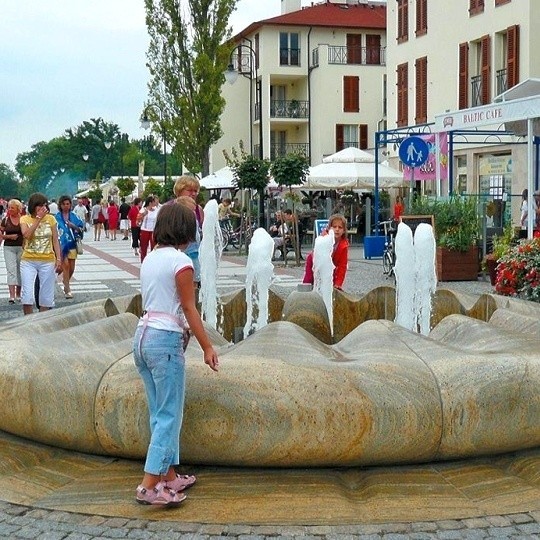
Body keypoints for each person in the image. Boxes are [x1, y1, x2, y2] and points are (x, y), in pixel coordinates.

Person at [133, 202, 219, 507]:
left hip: (142, 337)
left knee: (159, 412)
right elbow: (188, 307)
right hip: (164, 341)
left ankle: (169, 475)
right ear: (187, 230)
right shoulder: (181, 262)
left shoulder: (150, 258)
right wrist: (207, 346)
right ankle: (148, 486)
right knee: (170, 415)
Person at [20, 192, 62, 315]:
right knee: (27, 293)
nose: (43, 208)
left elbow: (55, 240)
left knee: (46, 295)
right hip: (28, 259)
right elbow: (26, 235)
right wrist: (37, 219)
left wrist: (58, 259)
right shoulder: (25, 219)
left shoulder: (51, 219)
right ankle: (28, 320)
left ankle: (43, 320)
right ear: (33, 206)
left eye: (44, 205)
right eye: (39, 206)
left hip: (47, 260)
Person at [302, 213, 349, 290]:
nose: (337, 229)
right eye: (334, 227)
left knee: (330, 283)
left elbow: (342, 266)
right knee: (309, 279)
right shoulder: (324, 239)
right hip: (314, 261)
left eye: (340, 227)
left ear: (344, 231)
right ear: (329, 228)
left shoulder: (344, 245)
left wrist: (338, 283)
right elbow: (321, 259)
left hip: (331, 265)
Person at [173, 176, 204, 286]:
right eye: (190, 190)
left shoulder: (198, 209)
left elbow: (201, 231)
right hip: (177, 255)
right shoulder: (170, 208)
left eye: (195, 191)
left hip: (195, 255)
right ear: (180, 190)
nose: (194, 193)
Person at [55, 195, 85, 299]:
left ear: (70, 205)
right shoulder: (57, 217)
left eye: (68, 204)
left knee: (71, 267)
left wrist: (73, 226)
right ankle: (67, 289)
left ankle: (65, 280)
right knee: (66, 265)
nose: (66, 206)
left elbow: (81, 228)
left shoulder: (74, 216)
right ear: (60, 205)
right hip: (61, 244)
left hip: (72, 243)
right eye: (63, 204)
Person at [0, 199, 24, 303]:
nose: (10, 209)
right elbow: (1, 234)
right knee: (11, 270)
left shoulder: (23, 219)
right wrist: (9, 236)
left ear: (18, 209)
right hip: (8, 247)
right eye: (9, 207)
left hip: (21, 247)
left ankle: (18, 293)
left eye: (12, 207)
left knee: (20, 270)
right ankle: (12, 295)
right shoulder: (5, 220)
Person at [137, 195, 159, 262]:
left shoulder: (156, 210)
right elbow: (137, 221)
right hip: (145, 230)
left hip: (153, 230)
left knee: (154, 246)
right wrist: (143, 214)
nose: (155, 203)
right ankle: (143, 261)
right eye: (154, 202)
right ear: (150, 203)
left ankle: (152, 261)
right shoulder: (143, 210)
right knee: (144, 246)